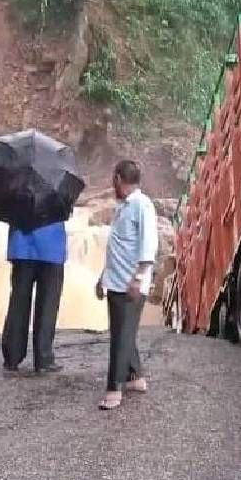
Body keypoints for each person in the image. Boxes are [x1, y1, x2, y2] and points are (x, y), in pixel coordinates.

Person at [95, 159, 158, 410]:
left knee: (121, 336)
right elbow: (118, 247)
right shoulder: (124, 206)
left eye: (113, 179)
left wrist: (139, 278)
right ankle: (136, 377)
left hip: (129, 284)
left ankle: (114, 390)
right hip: (117, 279)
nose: (112, 183)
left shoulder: (142, 205)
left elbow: (148, 244)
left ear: (118, 179)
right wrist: (102, 278)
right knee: (124, 331)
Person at [2, 220, 67, 373]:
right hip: (51, 244)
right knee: (48, 304)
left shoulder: (18, 194)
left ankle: (12, 356)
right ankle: (43, 357)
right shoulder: (55, 195)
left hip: (21, 245)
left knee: (18, 302)